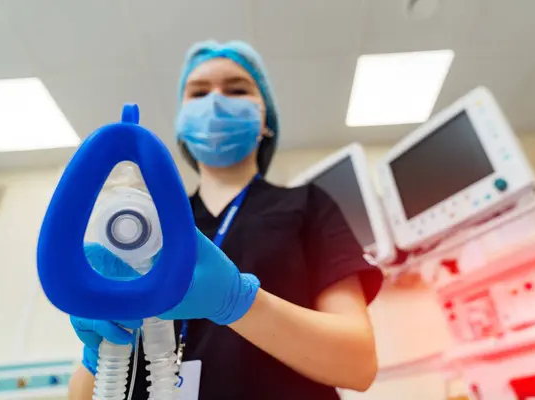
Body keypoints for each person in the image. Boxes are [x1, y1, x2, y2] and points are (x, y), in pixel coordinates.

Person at [68, 40, 383, 400]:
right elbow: (80, 396)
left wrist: (238, 302)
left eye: (237, 89)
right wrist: (96, 356)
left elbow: (359, 364)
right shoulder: (145, 223)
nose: (215, 101)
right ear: (181, 125)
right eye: (198, 92)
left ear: (266, 120)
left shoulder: (307, 205)